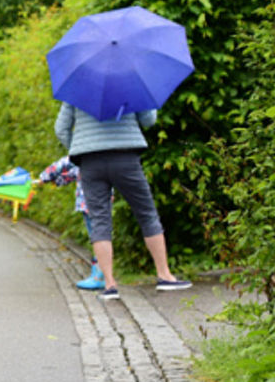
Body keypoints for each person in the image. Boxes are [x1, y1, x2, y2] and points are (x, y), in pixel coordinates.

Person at [54, 103, 191, 301]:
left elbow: (61, 129)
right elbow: (149, 120)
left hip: (90, 161)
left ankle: (109, 285)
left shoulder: (77, 85)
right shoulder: (130, 80)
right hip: (125, 157)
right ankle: (164, 276)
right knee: (146, 214)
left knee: (100, 219)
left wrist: (79, 150)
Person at [38, 155, 104, 290]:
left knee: (98, 239)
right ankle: (97, 273)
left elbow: (60, 165)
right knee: (97, 238)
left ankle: (99, 276)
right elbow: (72, 174)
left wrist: (44, 177)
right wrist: (56, 181)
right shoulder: (94, 159)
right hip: (92, 204)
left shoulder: (80, 154)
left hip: (91, 204)